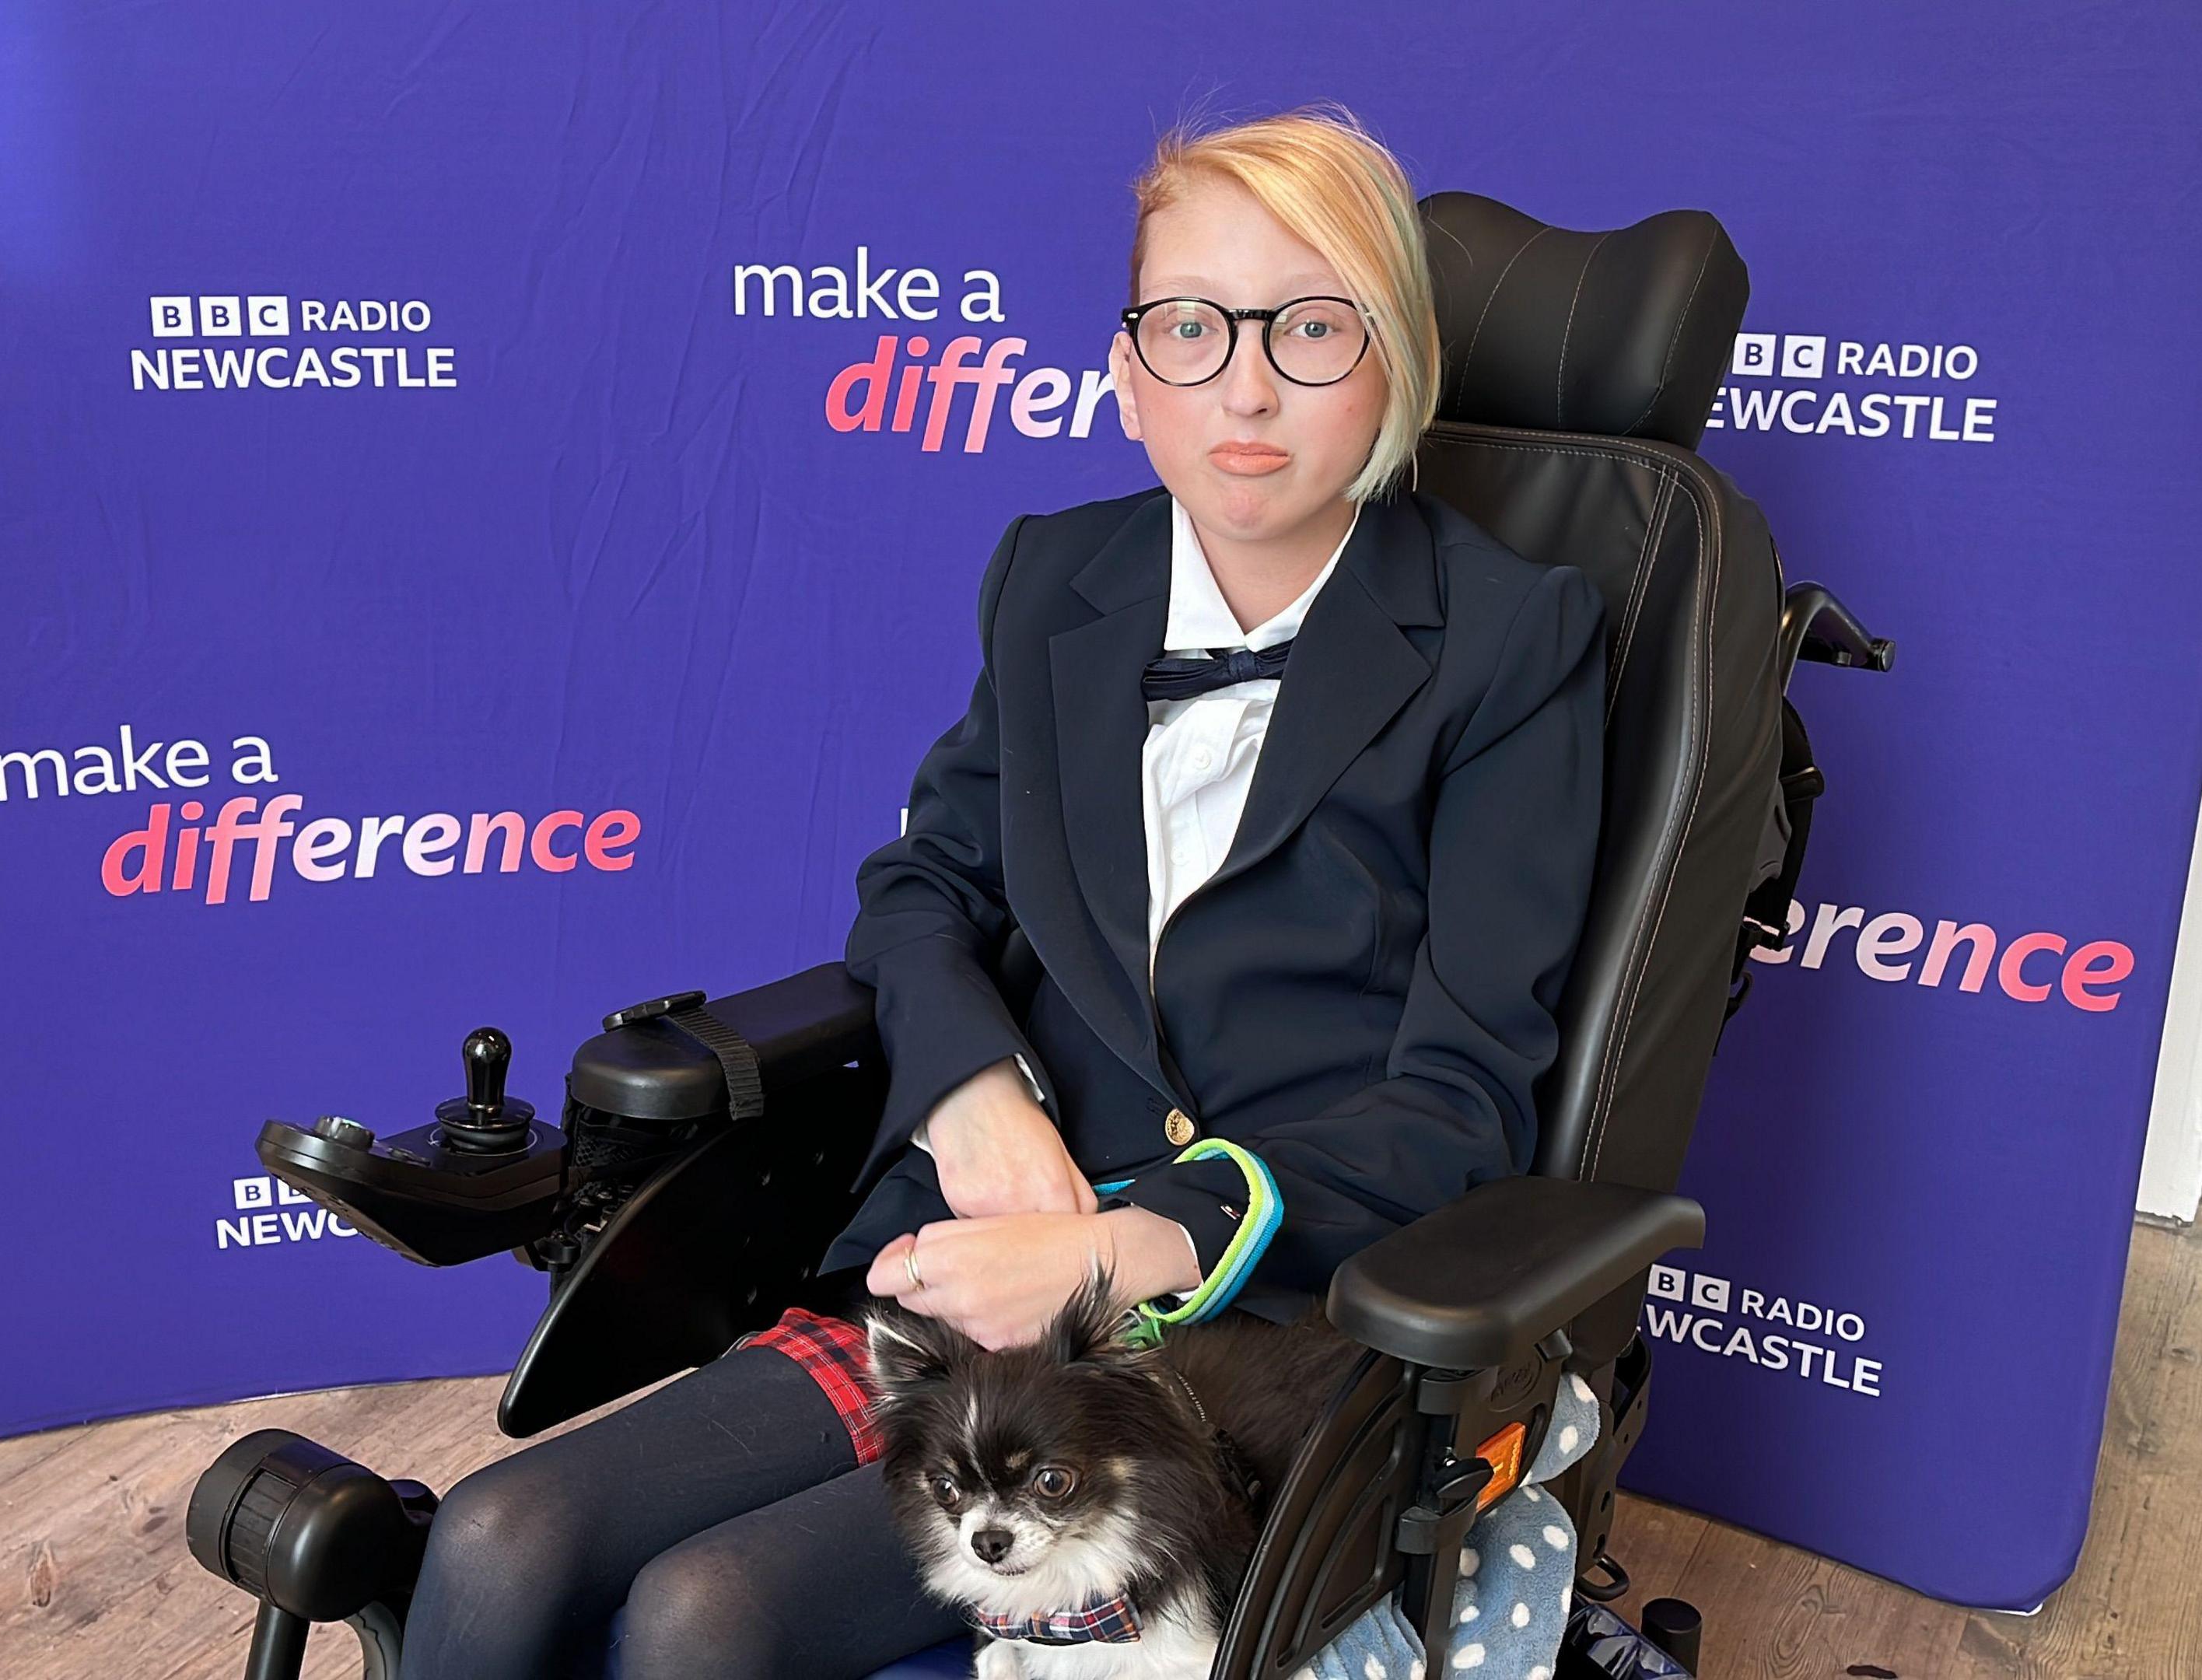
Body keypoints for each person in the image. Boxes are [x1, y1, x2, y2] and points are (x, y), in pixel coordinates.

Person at [398, 102, 1606, 1680]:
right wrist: (976, 1096)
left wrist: (1123, 1247)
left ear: (1398, 366)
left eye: (1314, 329)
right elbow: (922, 886)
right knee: (499, 1545)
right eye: (1193, 328)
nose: (1245, 384)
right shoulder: (1058, 578)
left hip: (1243, 1331)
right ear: (1127, 370)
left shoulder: (1514, 638)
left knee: (710, 1617)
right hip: (966, 1262)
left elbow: (1463, 1104)